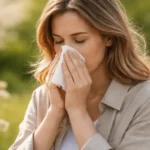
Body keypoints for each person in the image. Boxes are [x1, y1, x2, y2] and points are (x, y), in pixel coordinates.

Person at [9, 0, 150, 150]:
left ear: (109, 37)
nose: (67, 51)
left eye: (79, 40)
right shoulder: (43, 97)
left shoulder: (143, 100)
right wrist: (55, 111)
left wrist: (77, 111)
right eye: (59, 41)